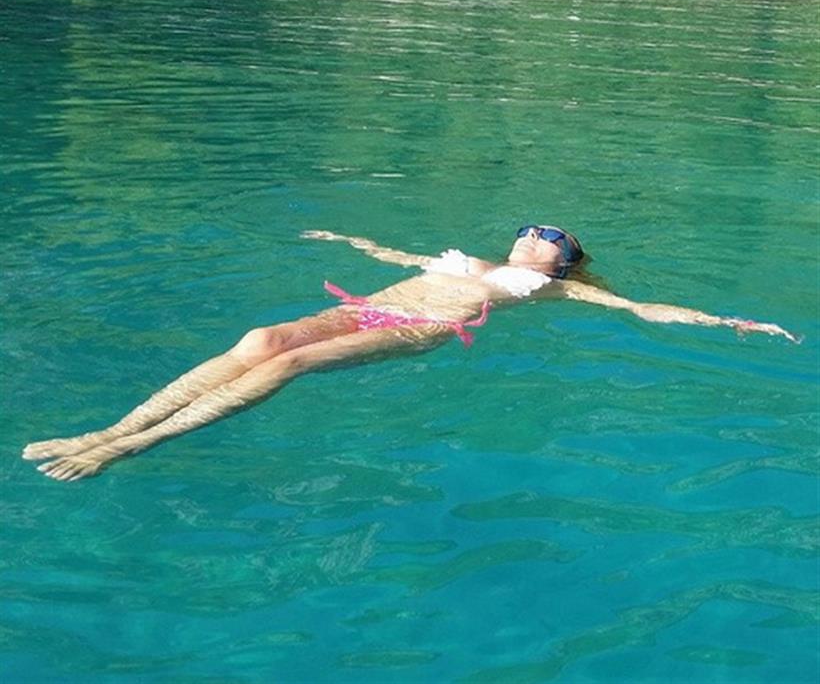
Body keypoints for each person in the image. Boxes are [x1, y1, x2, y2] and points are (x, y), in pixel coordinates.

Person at [22, 225, 797, 481]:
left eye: (552, 239)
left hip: (414, 330)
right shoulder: (467, 256)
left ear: (561, 263)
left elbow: (639, 309)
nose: (537, 236)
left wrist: (727, 321)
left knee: (285, 365)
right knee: (259, 340)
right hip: (369, 304)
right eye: (533, 228)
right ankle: (109, 426)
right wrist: (343, 238)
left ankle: (132, 445)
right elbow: (392, 252)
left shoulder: (549, 289)